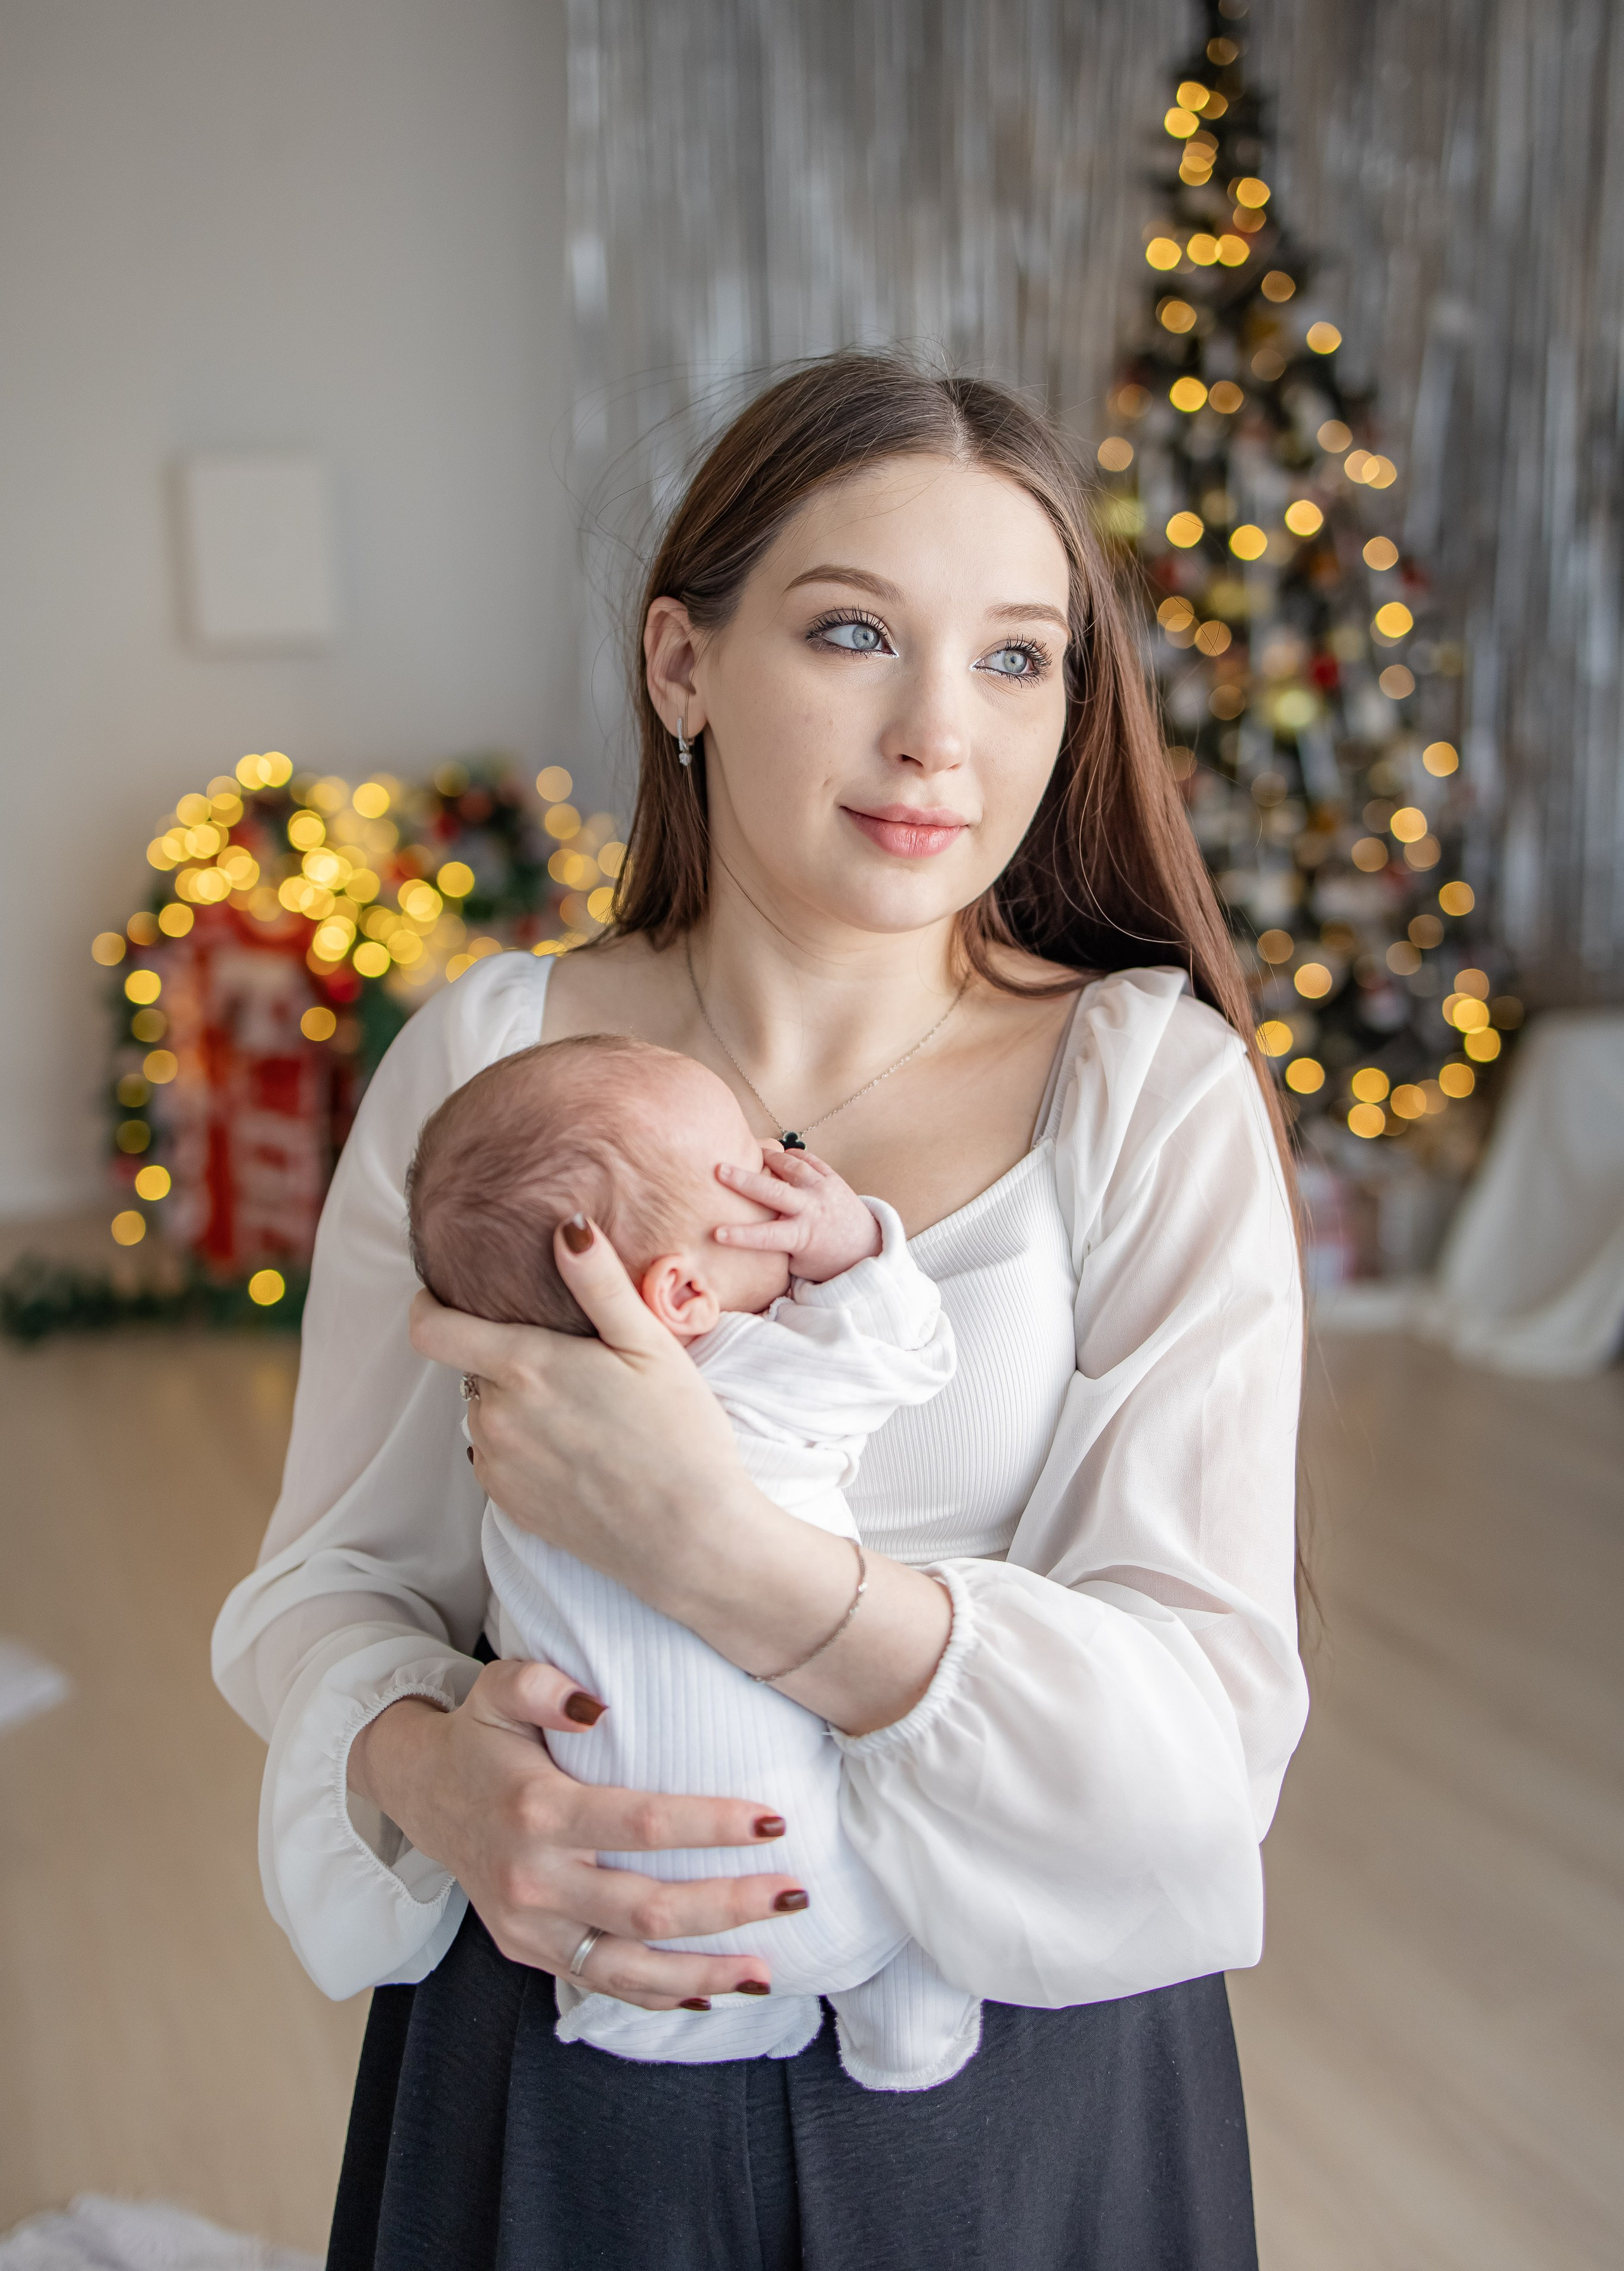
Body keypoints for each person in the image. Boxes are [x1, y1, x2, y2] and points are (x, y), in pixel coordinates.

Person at [213, 350, 1308, 2270]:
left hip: (1018, 2090)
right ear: (681, 666)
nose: (936, 737)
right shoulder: (494, 1062)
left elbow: (1208, 1733)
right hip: (566, 2057)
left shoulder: (1153, 1088)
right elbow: (326, 1586)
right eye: (854, 631)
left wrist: (725, 1556)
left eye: (1016, 658)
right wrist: (427, 1777)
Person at [405, 1034, 976, 2087]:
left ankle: (669, 2024)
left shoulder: (514, 1427)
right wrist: (851, 1242)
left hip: (609, 1895)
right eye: (750, 1170)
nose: (776, 1166)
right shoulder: (748, 1379)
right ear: (678, 1298)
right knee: (932, 1845)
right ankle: (904, 2029)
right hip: (819, 1879)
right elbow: (904, 1355)